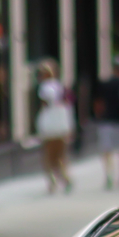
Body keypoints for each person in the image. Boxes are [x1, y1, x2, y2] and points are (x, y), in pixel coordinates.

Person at [89, 70, 119, 190]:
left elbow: (98, 103)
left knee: (109, 151)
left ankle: (111, 176)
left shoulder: (107, 85)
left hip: (110, 121)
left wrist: (98, 116)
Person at [33, 60, 74, 192]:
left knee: (49, 156)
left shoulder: (44, 88)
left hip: (50, 127)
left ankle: (52, 181)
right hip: (62, 125)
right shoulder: (60, 86)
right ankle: (64, 177)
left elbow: (45, 104)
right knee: (61, 155)